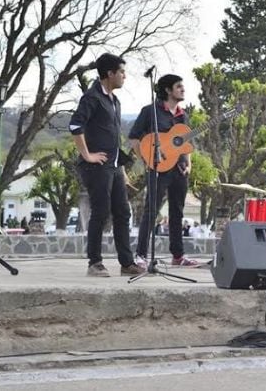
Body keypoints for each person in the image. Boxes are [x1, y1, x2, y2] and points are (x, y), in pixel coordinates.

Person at [69, 53, 144, 277]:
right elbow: (75, 126)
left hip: (114, 166)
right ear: (109, 74)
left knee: (122, 212)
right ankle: (94, 263)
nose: (124, 76)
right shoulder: (92, 97)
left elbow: (112, 137)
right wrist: (87, 155)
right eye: (121, 72)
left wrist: (121, 168)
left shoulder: (115, 101)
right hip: (96, 166)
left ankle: (126, 263)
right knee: (100, 212)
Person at [129, 74, 199, 268]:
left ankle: (178, 256)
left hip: (180, 170)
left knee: (177, 212)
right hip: (158, 167)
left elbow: (186, 142)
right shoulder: (150, 111)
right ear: (168, 90)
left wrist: (189, 164)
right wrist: (147, 160)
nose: (183, 89)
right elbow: (134, 138)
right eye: (179, 86)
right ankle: (141, 255)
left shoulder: (182, 115)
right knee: (151, 210)